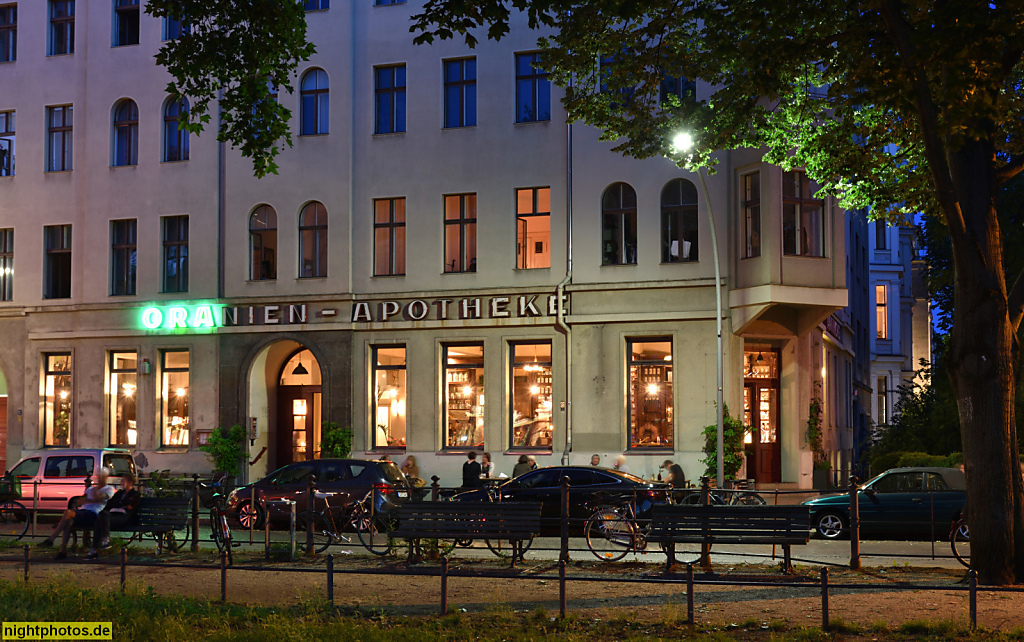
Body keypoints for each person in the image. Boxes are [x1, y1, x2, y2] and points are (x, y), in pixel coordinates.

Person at [40, 468, 116, 559]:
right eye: (99, 476)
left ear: (106, 477)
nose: (100, 478)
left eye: (102, 476)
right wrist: (90, 497)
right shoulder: (90, 489)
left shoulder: (109, 489)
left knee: (68, 513)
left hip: (93, 514)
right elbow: (79, 501)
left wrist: (91, 495)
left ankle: (51, 539)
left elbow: (100, 498)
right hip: (83, 512)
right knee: (68, 521)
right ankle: (62, 551)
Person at [87, 473, 141, 559]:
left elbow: (131, 506)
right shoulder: (119, 493)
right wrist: (121, 504)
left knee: (100, 519)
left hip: (124, 517)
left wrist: (119, 504)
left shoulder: (135, 494)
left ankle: (95, 549)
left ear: (130, 482)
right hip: (112, 516)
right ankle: (103, 542)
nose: (121, 482)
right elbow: (109, 504)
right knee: (101, 516)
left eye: (123, 480)